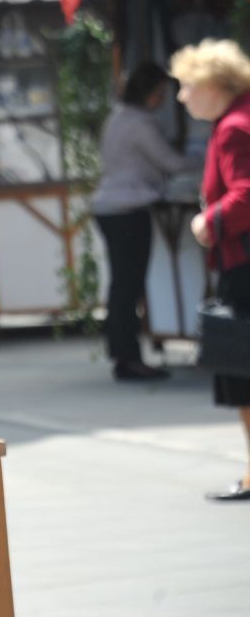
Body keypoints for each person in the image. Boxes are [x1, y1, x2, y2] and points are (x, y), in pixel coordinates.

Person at [168, 39, 250, 501]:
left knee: (243, 375)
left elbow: (247, 193)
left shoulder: (235, 127)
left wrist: (209, 221)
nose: (182, 97)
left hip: (244, 267)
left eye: (187, 86)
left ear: (214, 85)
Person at [90, 62, 195, 381]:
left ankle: (124, 354)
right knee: (129, 286)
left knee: (122, 285)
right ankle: (128, 357)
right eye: (161, 93)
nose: (163, 100)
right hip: (128, 209)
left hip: (110, 207)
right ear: (150, 94)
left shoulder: (118, 117)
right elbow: (170, 163)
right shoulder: (140, 124)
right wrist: (206, 159)